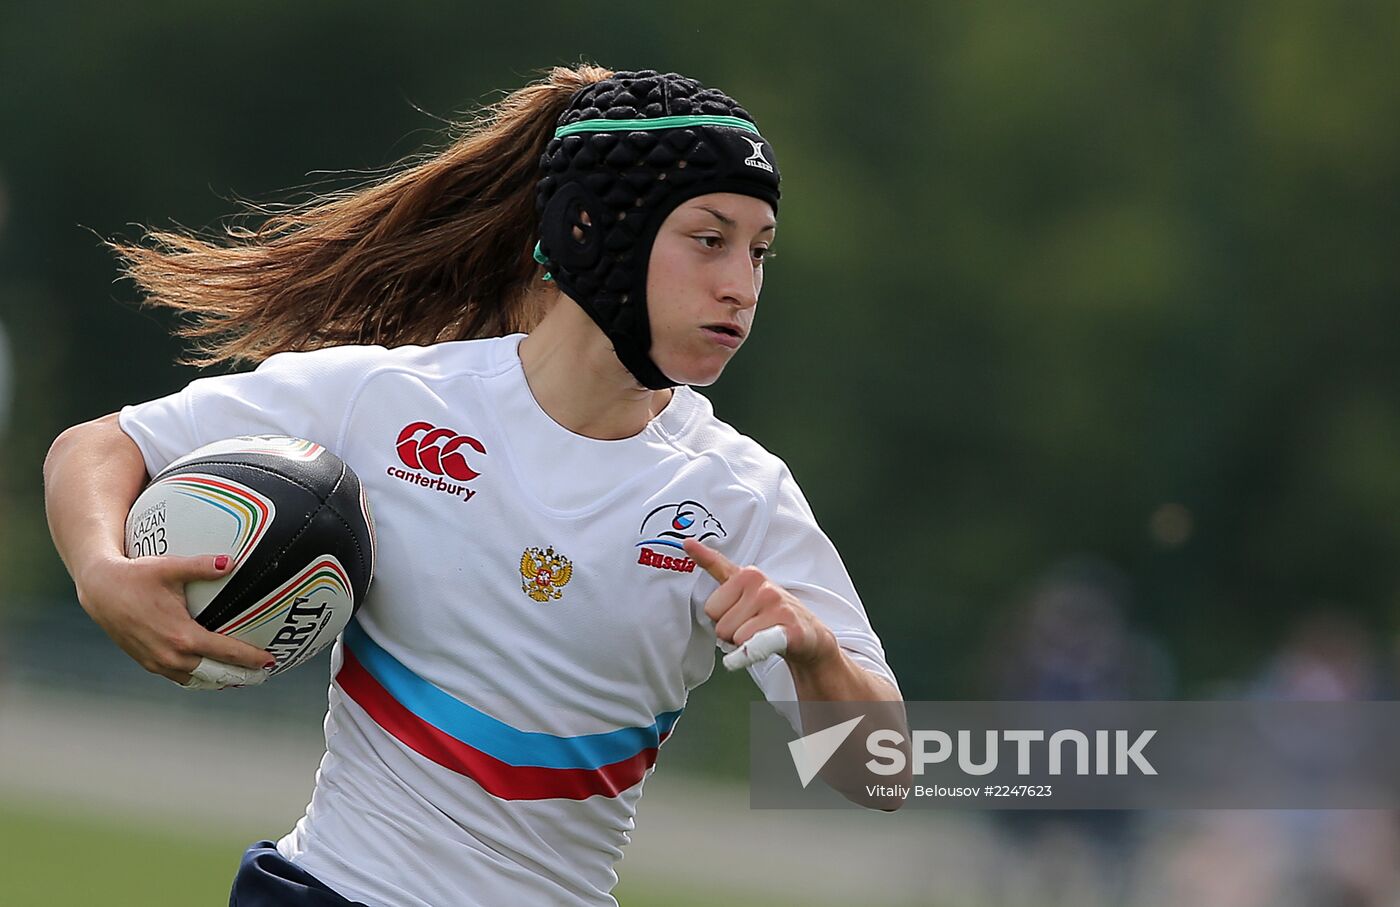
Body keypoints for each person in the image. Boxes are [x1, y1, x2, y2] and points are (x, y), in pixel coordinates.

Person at [44, 66, 903, 906]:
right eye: (709, 240)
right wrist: (99, 568)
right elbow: (100, 445)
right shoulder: (394, 401)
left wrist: (817, 657)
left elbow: (884, 774)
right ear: (593, 230)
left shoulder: (741, 494)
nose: (741, 286)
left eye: (759, 252)